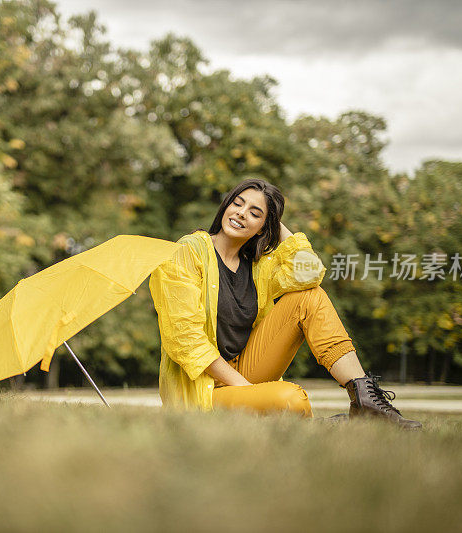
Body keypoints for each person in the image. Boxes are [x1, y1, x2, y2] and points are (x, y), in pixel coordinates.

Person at [148, 178, 421, 429]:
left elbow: (310, 274)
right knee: (291, 399)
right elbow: (185, 340)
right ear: (225, 207)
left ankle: (365, 400)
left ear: (262, 228)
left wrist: (276, 224)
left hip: (245, 369)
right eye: (237, 204)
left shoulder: (257, 268)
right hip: (204, 391)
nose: (242, 213)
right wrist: (247, 392)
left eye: (255, 213)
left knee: (309, 297)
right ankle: (317, 426)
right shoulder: (187, 251)